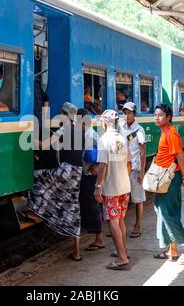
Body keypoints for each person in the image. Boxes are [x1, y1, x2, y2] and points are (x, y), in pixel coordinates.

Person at [28, 102, 85, 261]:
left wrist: (28, 138)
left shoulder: (63, 129)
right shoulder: (80, 131)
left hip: (65, 171)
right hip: (77, 173)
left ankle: (37, 211)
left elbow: (45, 145)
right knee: (74, 207)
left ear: (64, 114)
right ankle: (77, 252)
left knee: (37, 176)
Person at [152, 104, 184, 265]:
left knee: (167, 214)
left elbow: (181, 157)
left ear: (168, 117)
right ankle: (172, 250)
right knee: (161, 210)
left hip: (170, 180)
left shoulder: (171, 134)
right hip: (163, 179)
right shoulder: (164, 132)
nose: (156, 117)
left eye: (160, 115)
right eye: (155, 115)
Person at [94, 109, 131, 270]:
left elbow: (103, 165)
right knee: (121, 220)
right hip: (124, 186)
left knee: (113, 222)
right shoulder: (122, 138)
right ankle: (124, 251)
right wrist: (123, 176)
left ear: (104, 123)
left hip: (111, 188)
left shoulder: (104, 139)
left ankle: (122, 257)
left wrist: (98, 187)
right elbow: (129, 163)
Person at [77, 108, 105, 252]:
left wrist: (95, 166)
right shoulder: (87, 134)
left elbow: (102, 155)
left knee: (92, 205)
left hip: (90, 175)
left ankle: (99, 238)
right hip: (86, 174)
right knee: (87, 204)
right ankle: (94, 233)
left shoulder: (91, 135)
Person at [120, 102, 146, 239]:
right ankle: (119, 225)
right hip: (122, 169)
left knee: (137, 198)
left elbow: (142, 152)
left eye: (129, 112)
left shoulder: (139, 130)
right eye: (124, 112)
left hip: (135, 168)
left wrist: (142, 173)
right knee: (122, 197)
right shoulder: (121, 128)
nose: (126, 115)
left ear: (134, 114)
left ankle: (138, 225)